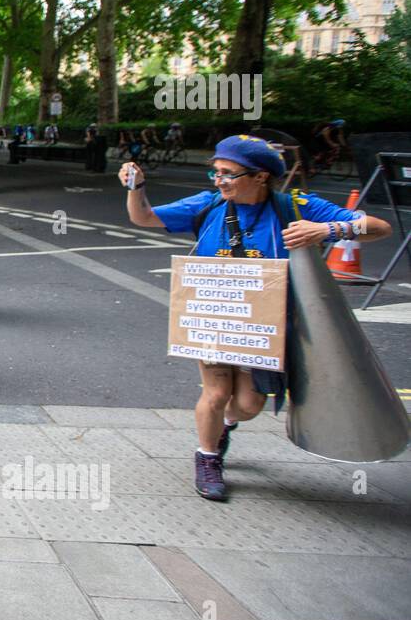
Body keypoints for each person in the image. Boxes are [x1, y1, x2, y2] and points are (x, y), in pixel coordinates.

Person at [120, 135, 392, 501]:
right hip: (214, 317)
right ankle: (208, 458)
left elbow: (378, 226)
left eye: (228, 175)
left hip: (265, 325)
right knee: (216, 392)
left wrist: (329, 230)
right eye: (215, 173)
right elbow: (144, 217)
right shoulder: (208, 204)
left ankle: (225, 426)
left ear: (261, 177)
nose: (219, 181)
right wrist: (137, 187)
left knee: (248, 404)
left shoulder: (295, 206)